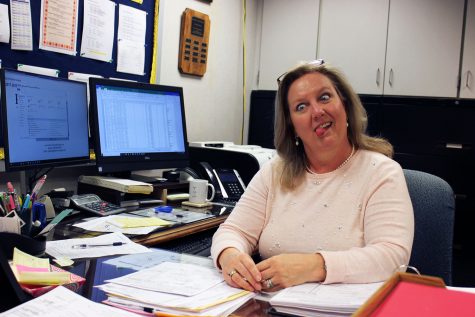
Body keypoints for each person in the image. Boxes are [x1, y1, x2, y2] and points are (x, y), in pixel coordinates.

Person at [210, 60, 414, 292]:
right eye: (301, 107)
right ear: (292, 127)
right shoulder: (275, 172)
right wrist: (229, 256)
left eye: (325, 97)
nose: (317, 112)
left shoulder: (382, 173)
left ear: (345, 106)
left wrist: (313, 266)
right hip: (271, 307)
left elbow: (392, 257)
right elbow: (232, 231)